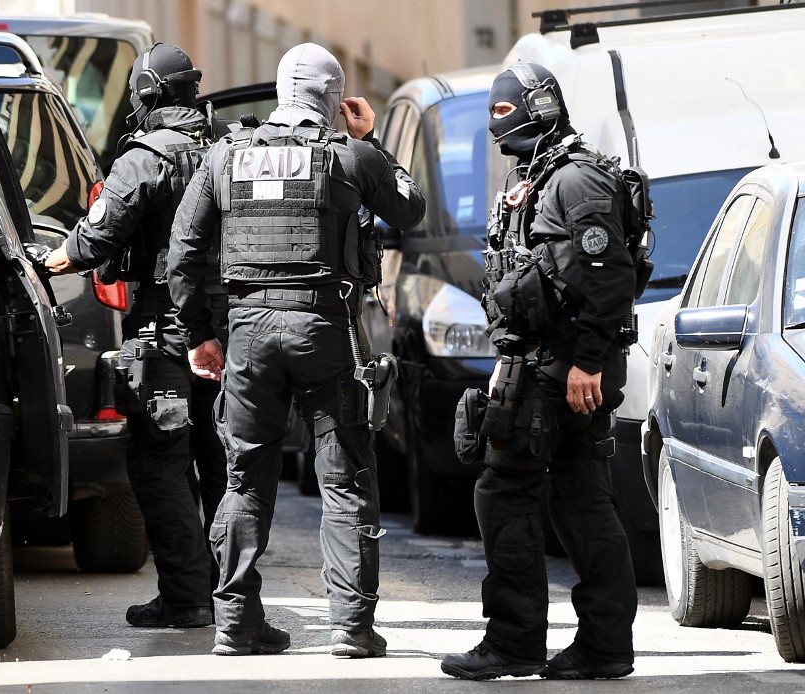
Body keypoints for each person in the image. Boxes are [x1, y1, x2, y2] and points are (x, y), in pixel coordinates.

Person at [167, 42, 425, 658]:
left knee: (243, 479)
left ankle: (236, 624)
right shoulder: (349, 156)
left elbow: (182, 254)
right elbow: (409, 208)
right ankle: (352, 628)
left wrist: (200, 334)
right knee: (345, 478)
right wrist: (371, 137)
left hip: (248, 334)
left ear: (282, 92)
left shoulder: (224, 156)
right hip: (322, 329)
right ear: (335, 99)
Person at [440, 63, 638, 681]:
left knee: (506, 494)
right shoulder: (540, 175)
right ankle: (603, 646)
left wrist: (586, 362)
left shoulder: (574, 181)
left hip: (559, 368)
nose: (498, 126)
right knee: (581, 500)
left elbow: (609, 280)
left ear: (540, 107)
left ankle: (516, 641)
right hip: (540, 362)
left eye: (505, 113)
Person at [40, 42, 215, 629]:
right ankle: (235, 596)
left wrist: (52, 259)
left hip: (167, 328)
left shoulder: (145, 156)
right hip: (229, 331)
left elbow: (98, 236)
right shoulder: (226, 149)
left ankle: (188, 598)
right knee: (223, 464)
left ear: (145, 98)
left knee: (160, 461)